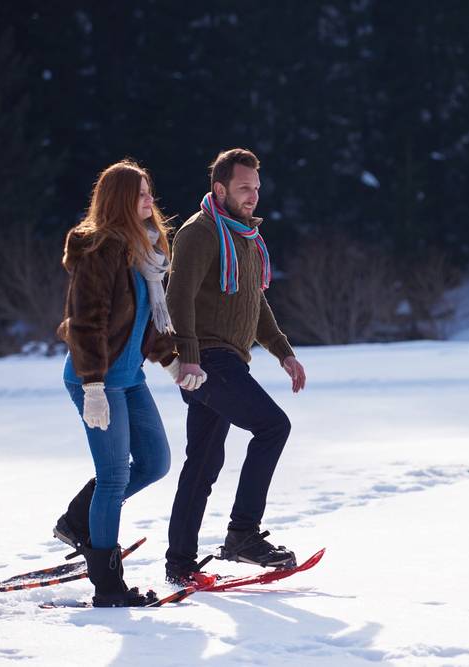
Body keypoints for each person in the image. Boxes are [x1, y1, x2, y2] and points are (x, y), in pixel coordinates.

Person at [54, 159, 205, 607]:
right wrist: (94, 387)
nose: (149, 201)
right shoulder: (99, 249)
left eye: (148, 192)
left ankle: (80, 519)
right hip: (95, 379)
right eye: (140, 194)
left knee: (155, 462)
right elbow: (86, 323)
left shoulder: (146, 251)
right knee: (114, 476)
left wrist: (173, 365)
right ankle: (108, 584)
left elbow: (145, 323)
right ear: (119, 200)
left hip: (129, 377)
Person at [163, 148, 307, 585]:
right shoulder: (200, 233)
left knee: (203, 463)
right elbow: (177, 297)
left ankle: (180, 562)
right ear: (220, 188)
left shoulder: (242, 237)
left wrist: (282, 350)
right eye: (244, 188)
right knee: (272, 427)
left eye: (257, 188)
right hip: (207, 359)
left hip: (227, 359)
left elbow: (254, 302)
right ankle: (242, 535)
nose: (253, 196)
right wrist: (185, 358)